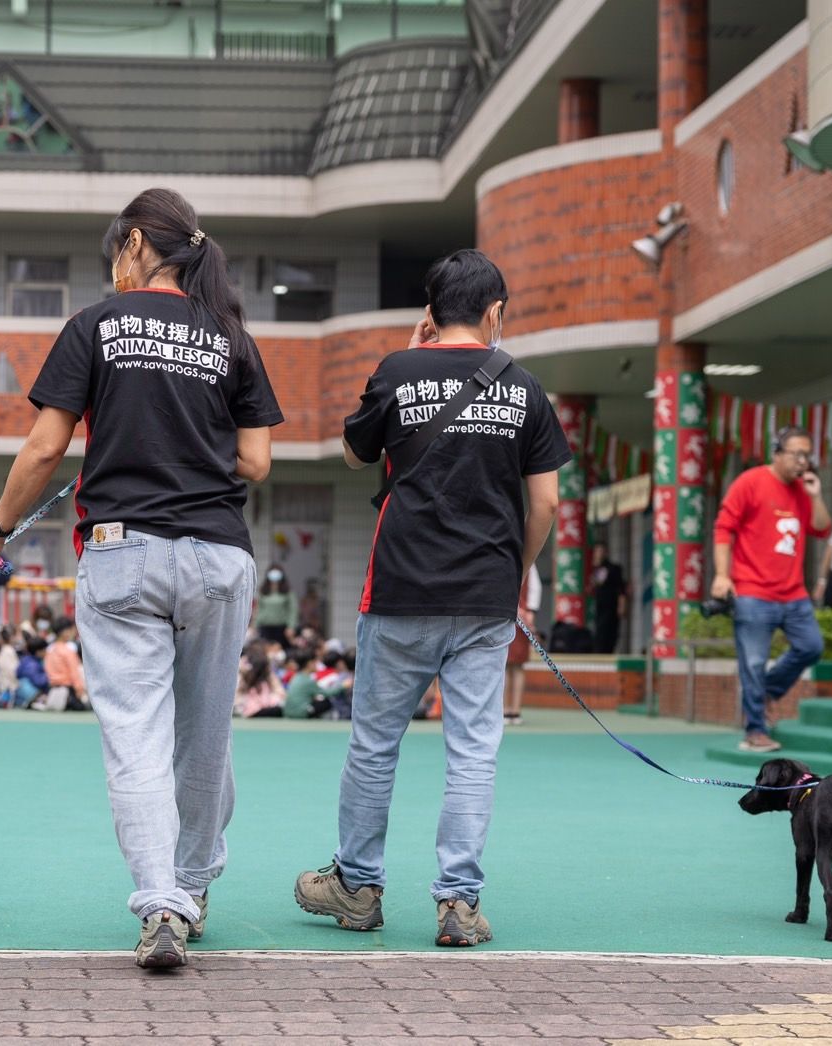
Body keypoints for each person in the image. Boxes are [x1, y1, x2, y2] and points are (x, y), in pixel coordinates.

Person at [0, 187, 282, 968]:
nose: (115, 266)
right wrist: (187, 442)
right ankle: (194, 886)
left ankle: (160, 903)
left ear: (136, 243)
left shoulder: (96, 325)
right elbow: (257, 461)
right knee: (205, 738)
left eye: (116, 251)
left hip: (123, 551)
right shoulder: (230, 336)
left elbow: (43, 451)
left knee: (136, 738)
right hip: (216, 554)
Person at [293, 248, 567, 948]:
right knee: (473, 750)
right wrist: (515, 573)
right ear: (494, 312)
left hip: (400, 591)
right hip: (484, 597)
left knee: (375, 744)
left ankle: (356, 887)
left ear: (430, 312)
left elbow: (356, 454)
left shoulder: (395, 370)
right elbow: (545, 505)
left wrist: (407, 357)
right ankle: (458, 903)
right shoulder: (528, 389)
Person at [711, 425, 832, 754]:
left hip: (793, 593)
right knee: (752, 662)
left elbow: (821, 529)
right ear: (777, 453)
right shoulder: (750, 483)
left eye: (807, 454)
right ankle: (755, 730)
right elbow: (724, 529)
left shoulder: (802, 491)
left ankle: (766, 693)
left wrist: (816, 495)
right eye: (796, 454)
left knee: (811, 647)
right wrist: (723, 576)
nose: (803, 461)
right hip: (752, 592)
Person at [502, 567, 539, 725]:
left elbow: (535, 588)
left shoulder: (530, 563)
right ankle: (502, 710)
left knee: (517, 665)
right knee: (502, 665)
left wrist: (529, 611)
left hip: (522, 619)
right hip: (503, 615)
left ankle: (515, 710)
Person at [39, 615, 87, 711]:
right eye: (71, 630)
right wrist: (79, 690)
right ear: (64, 632)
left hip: (52, 689)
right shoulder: (68, 649)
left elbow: (46, 670)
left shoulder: (50, 649)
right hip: (68, 691)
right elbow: (75, 672)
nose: (74, 632)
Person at [589, 542, 628, 654]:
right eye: (597, 551)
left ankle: (608, 652)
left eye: (600, 551)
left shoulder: (613, 568)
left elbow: (621, 589)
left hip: (611, 605)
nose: (598, 554)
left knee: (611, 632)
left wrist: (622, 605)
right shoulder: (595, 569)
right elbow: (593, 586)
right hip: (600, 606)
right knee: (599, 631)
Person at [235, 641, 286, 717]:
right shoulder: (241, 672)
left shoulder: (269, 676)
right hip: (248, 708)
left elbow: (281, 694)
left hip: (266, 706)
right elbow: (237, 698)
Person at [254, 568, 298, 648]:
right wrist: (255, 625)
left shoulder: (287, 592)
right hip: (265, 627)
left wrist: (291, 626)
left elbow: (292, 610)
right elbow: (258, 609)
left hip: (281, 628)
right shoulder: (263, 591)